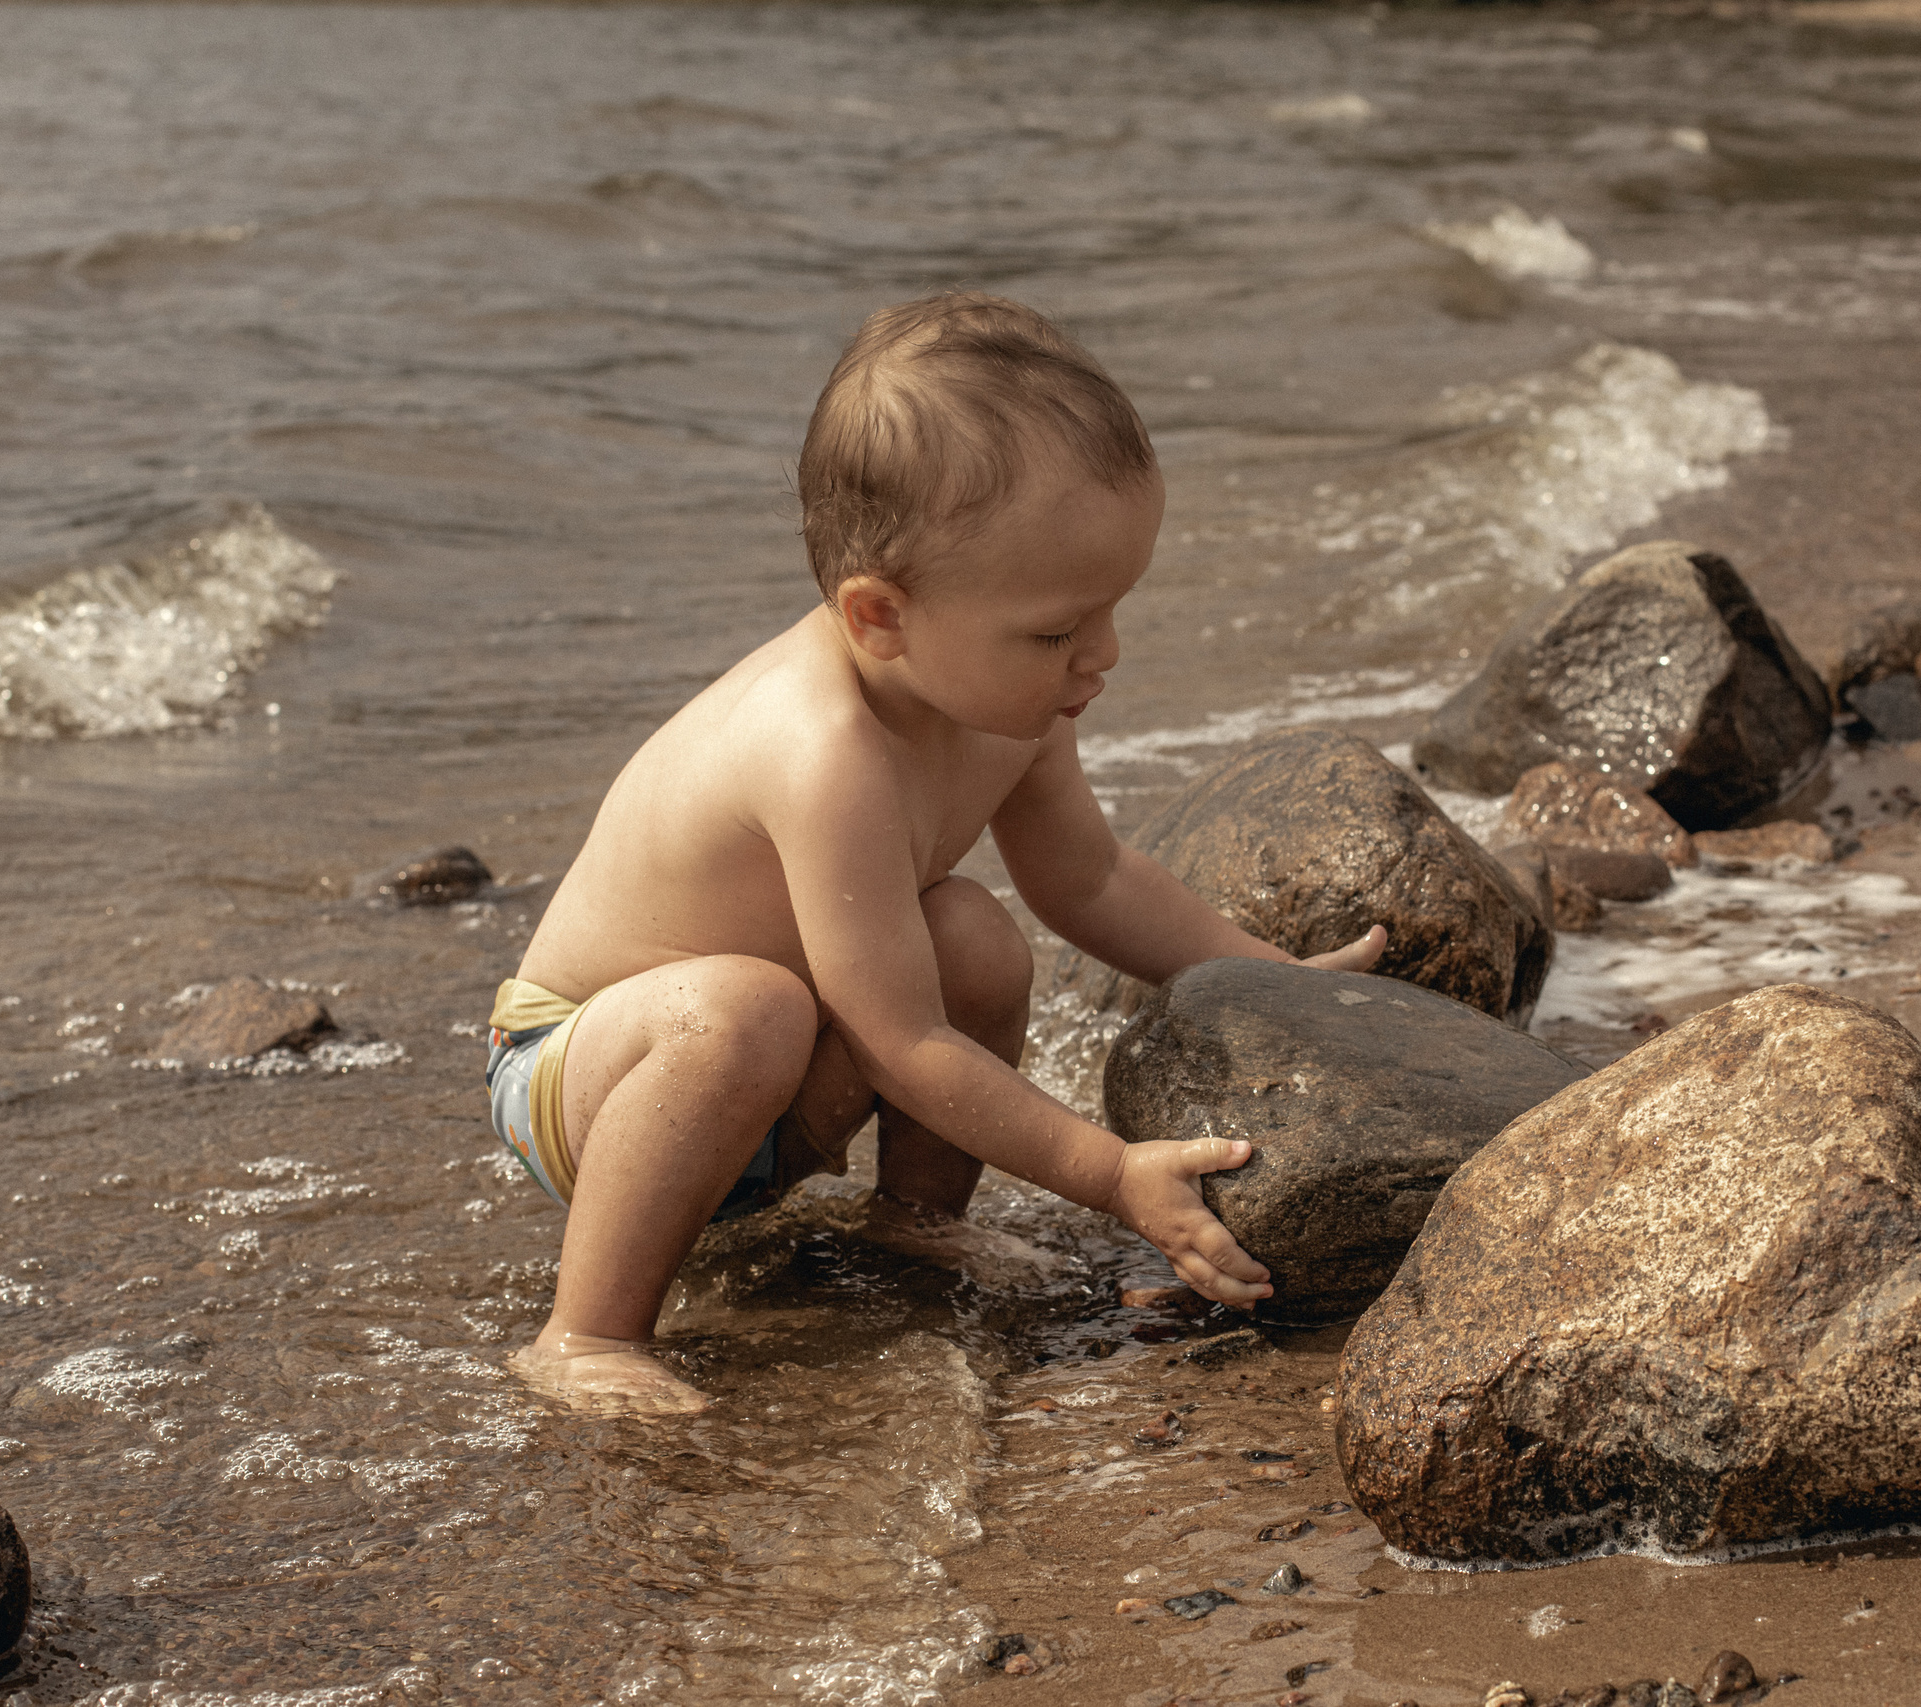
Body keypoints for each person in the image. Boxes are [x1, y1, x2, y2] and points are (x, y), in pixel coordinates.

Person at [484, 292, 1388, 1412]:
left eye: (1112, 610)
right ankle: (583, 1333)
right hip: (588, 1075)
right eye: (1056, 631)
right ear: (879, 619)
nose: (1100, 655)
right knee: (744, 1009)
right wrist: (1109, 1176)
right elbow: (901, 1040)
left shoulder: (1008, 703)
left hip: (776, 1078)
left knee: (971, 935)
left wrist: (1267, 980)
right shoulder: (822, 753)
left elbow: (1091, 880)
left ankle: (916, 1222)